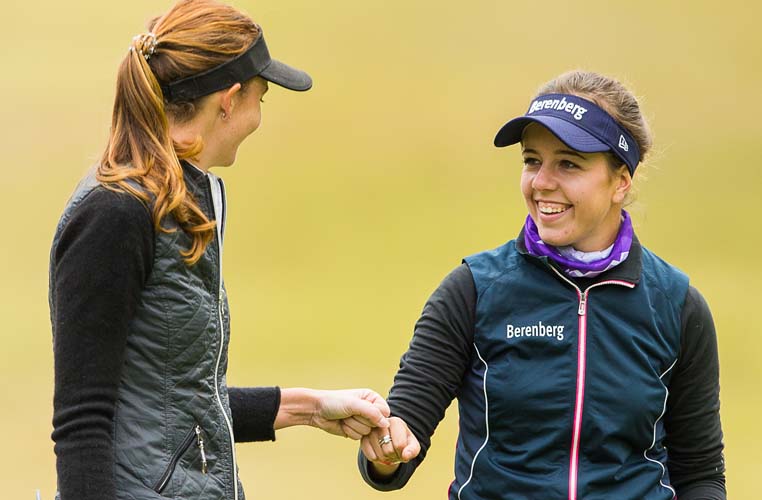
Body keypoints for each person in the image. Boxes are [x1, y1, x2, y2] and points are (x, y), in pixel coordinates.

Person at [48, 1, 391, 499]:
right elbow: (82, 421)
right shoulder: (115, 215)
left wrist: (310, 408)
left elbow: (172, 401)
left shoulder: (173, 203)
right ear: (228, 101)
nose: (258, 117)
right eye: (262, 98)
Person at [357, 70, 726, 499]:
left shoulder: (675, 305)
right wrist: (386, 453)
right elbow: (401, 434)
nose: (542, 182)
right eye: (532, 160)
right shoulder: (474, 290)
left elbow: (700, 474)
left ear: (620, 181)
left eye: (568, 163)